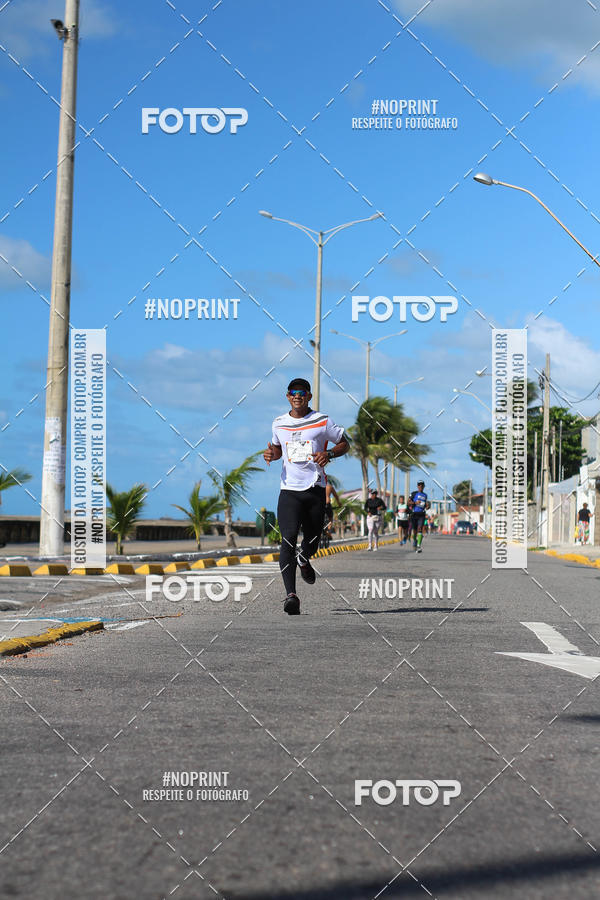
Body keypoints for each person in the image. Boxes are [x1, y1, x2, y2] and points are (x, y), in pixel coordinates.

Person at [263, 378, 349, 615]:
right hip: (289, 490)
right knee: (287, 539)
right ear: (287, 396)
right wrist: (272, 453)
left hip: (315, 489)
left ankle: (304, 558)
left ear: (309, 396)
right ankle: (291, 596)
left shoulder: (322, 421)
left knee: (311, 540)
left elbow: (344, 443)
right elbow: (279, 449)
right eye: (293, 392)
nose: (297, 396)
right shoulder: (279, 423)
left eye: (302, 392)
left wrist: (329, 453)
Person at [408, 480, 429, 553]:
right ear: (417, 486)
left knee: (420, 529)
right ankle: (415, 541)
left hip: (421, 514)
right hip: (414, 514)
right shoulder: (413, 494)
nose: (420, 486)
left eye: (422, 485)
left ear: (424, 486)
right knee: (414, 530)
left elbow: (426, 505)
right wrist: (415, 502)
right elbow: (408, 502)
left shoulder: (425, 495)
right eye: (419, 485)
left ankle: (419, 546)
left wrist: (427, 506)